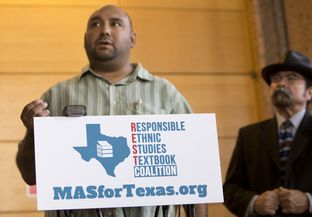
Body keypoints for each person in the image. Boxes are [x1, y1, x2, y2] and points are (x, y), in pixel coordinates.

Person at [16, 4, 207, 217]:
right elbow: (30, 176)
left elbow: (197, 171)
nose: (104, 30)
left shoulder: (166, 93)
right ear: (85, 38)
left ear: (133, 39)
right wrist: (33, 132)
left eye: (115, 24)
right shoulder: (55, 95)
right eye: (95, 24)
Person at [223, 50, 312, 217]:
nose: (281, 83)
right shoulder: (248, 135)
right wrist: (254, 202)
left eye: (291, 77)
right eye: (276, 79)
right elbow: (230, 189)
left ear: (309, 92)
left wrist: (309, 201)